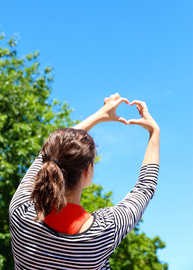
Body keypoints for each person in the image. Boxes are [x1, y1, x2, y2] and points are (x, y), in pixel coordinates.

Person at [9, 93, 160, 269]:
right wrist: (154, 132)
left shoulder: (20, 212)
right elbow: (145, 187)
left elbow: (46, 154)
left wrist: (99, 115)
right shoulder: (103, 232)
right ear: (88, 170)